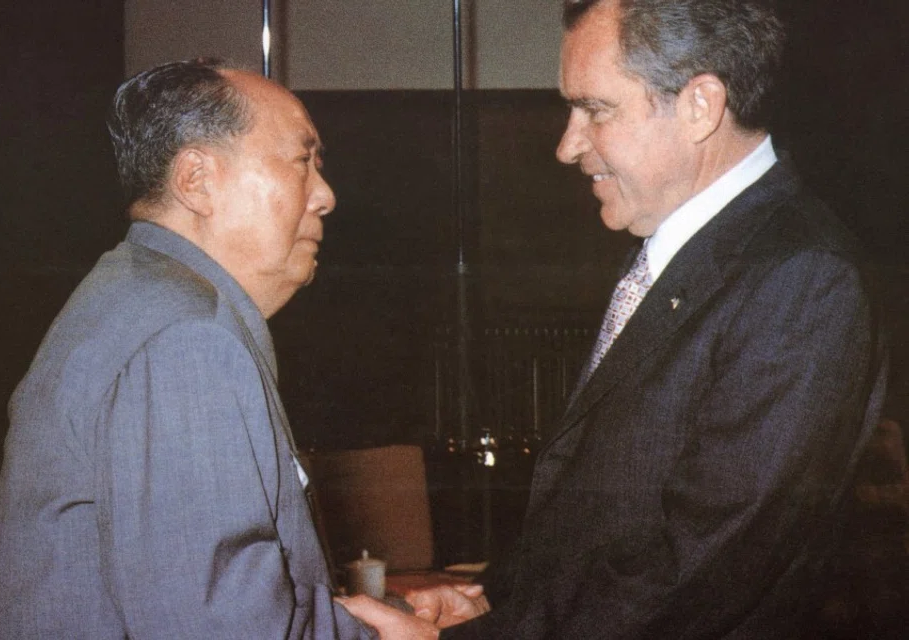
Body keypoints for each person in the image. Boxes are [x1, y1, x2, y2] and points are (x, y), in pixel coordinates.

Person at [341, 0, 889, 637]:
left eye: (595, 110)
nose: (566, 146)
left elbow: (702, 564)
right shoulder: (685, 251)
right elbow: (606, 517)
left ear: (700, 106)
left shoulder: (802, 278)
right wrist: (496, 600)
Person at [0, 59, 376, 639]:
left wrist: (363, 619)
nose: (325, 196)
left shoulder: (142, 294)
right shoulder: (186, 338)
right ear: (196, 181)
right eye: (301, 161)